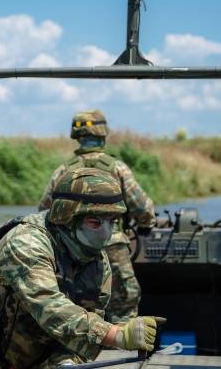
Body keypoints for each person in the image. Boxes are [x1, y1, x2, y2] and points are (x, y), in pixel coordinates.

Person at [0, 168, 163, 368]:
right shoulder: (27, 242)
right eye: (95, 222)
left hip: (27, 352)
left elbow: (81, 328)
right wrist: (117, 335)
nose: (105, 233)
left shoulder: (96, 262)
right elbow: (49, 306)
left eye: (112, 222)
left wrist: (65, 362)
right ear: (68, 216)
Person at [38, 109, 156, 323]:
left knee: (74, 304)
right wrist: (146, 224)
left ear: (77, 136)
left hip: (70, 251)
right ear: (103, 134)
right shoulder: (118, 168)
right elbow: (142, 208)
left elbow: (45, 210)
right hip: (111, 245)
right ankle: (123, 348)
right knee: (124, 301)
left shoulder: (63, 170)